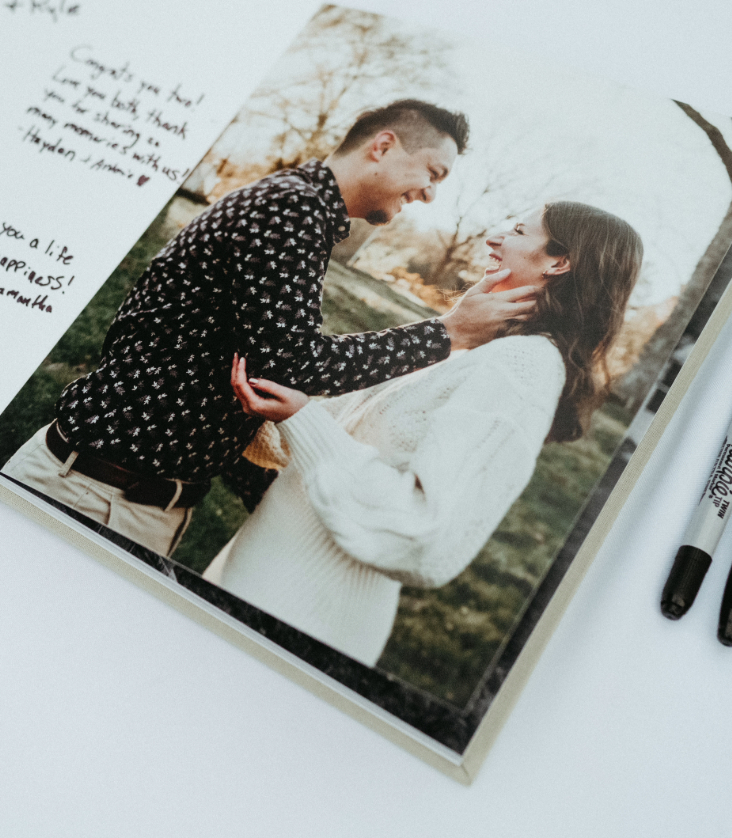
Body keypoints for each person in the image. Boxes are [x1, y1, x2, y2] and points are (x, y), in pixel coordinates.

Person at [1, 100, 538, 556]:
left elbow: (239, 373)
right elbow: (294, 363)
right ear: (383, 146)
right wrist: (447, 333)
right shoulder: (292, 209)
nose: (429, 194)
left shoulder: (300, 210)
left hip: (130, 500)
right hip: (91, 495)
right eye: (432, 173)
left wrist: (268, 492)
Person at [205, 202, 643, 667]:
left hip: (301, 609)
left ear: (559, 262)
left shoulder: (523, 368)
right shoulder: (486, 349)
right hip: (257, 571)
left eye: (516, 231)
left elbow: (424, 531)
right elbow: (353, 431)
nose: (494, 238)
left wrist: (301, 420)